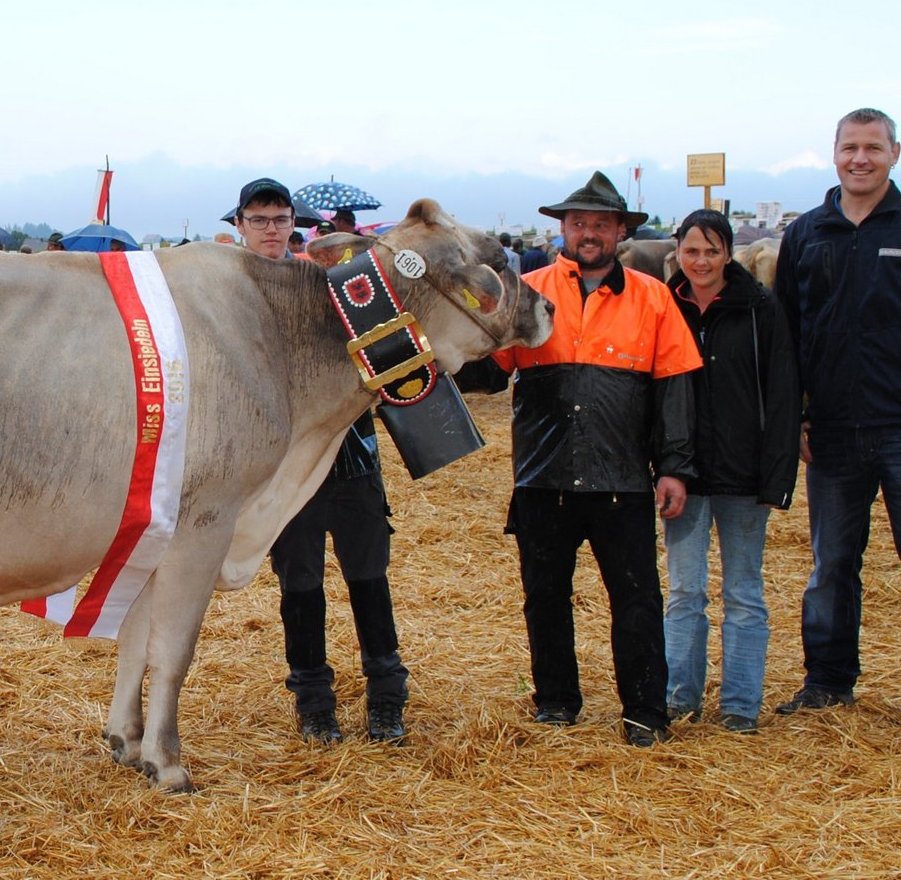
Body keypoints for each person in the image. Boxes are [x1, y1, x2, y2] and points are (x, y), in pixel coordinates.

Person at [457, 170, 701, 747]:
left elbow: (675, 392)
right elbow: (491, 371)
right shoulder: (527, 292)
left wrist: (674, 467)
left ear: (620, 230)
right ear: (562, 228)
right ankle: (557, 703)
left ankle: (645, 711)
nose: (588, 233)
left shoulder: (653, 296)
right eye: (577, 223)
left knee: (637, 599)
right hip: (544, 478)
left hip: (624, 480)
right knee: (545, 597)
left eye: (599, 223)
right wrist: (438, 348)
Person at [235, 177, 409, 744]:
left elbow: (384, 345)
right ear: (239, 225)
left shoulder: (332, 281)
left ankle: (387, 697)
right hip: (284, 469)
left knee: (368, 577)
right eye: (258, 220)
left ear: (295, 224)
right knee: (301, 585)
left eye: (280, 219)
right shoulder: (229, 293)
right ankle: (313, 702)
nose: (270, 230)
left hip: (351, 454)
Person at [774, 107, 901, 716]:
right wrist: (796, 415)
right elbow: (789, 334)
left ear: (893, 155)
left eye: (873, 148)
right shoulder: (806, 234)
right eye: (851, 147)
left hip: (899, 424)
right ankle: (827, 682)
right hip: (831, 431)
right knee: (832, 566)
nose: (861, 158)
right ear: (834, 153)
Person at [662, 209, 800, 734]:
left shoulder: (760, 308)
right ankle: (681, 698)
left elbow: (782, 390)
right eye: (693, 251)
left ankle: (741, 704)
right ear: (679, 252)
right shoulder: (666, 307)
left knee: (743, 592)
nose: (701, 261)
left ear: (728, 255)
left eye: (712, 251)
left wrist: (777, 475)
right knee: (684, 591)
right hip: (685, 472)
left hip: (745, 473)